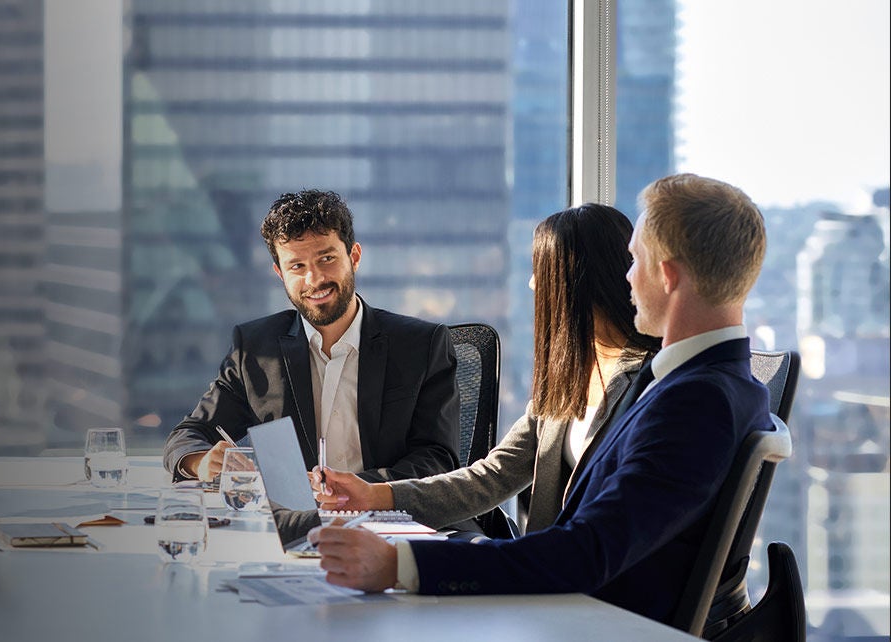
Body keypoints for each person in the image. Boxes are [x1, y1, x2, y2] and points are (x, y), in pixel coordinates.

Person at [310, 173, 774, 625]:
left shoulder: (693, 403)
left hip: (589, 620)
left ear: (666, 276)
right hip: (570, 606)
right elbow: (513, 486)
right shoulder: (691, 384)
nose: (627, 276)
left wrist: (399, 565)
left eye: (635, 260)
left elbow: (588, 553)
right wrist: (380, 498)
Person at [314, 203, 660, 533]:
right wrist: (376, 495)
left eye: (541, 270)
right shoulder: (566, 377)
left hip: (594, 577)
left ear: (574, 281)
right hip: (549, 569)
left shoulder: (652, 380)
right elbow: (493, 476)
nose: (533, 284)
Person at [162, 189, 459, 484]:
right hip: (300, 525)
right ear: (280, 274)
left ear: (353, 257)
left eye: (326, 258)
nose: (314, 279)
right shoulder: (255, 349)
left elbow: (438, 460)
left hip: (393, 521)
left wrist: (361, 490)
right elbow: (187, 436)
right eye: (297, 266)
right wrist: (199, 461)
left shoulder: (422, 344)